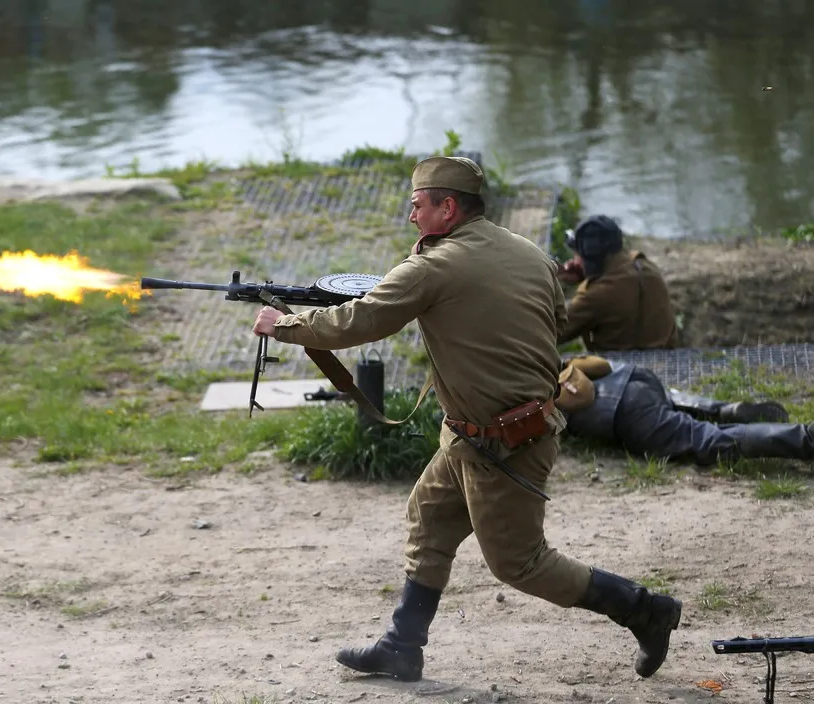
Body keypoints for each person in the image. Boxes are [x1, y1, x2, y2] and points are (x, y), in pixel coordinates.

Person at [252, 156, 681, 684]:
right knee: (428, 520)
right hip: (476, 435)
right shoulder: (533, 256)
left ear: (447, 207)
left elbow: (361, 319)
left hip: (503, 443)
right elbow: (558, 320)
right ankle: (401, 647)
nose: (411, 216)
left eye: (417, 205)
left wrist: (285, 324)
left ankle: (645, 610)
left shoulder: (433, 267)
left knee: (521, 564)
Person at [556, 356, 814, 465]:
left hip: (622, 412)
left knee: (706, 439)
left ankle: (805, 438)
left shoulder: (522, 386)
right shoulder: (536, 349)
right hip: (635, 377)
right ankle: (719, 409)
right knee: (665, 406)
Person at [556, 215, 680, 352]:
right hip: (666, 357)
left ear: (589, 258)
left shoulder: (595, 296)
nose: (575, 260)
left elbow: (550, 334)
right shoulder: (646, 267)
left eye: (577, 254)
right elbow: (620, 285)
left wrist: (553, 283)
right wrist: (587, 275)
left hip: (620, 370)